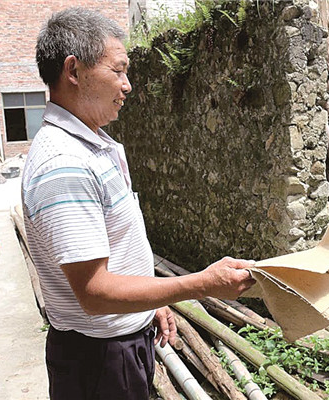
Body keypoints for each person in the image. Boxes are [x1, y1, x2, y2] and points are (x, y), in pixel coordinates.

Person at [22, 8, 255, 400]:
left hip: (115, 345)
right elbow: (94, 291)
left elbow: (116, 250)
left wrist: (149, 305)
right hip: (98, 360)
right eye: (118, 71)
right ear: (74, 71)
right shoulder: (64, 165)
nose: (127, 85)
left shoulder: (92, 145)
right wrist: (201, 284)